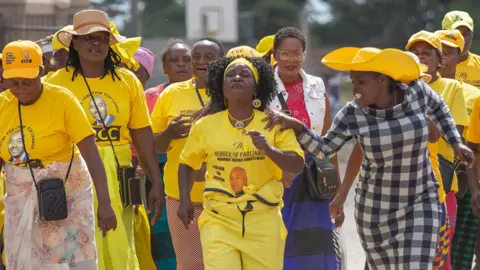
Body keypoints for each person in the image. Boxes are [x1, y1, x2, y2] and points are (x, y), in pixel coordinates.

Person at [265, 47, 475, 269]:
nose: (355, 88)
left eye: (361, 82)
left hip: (420, 201)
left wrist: (456, 142)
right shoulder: (352, 113)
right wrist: (298, 127)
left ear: (382, 80)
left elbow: (440, 109)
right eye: (353, 81)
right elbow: (324, 149)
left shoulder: (416, 92)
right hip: (375, 212)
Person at [46, 9, 164, 270]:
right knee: (78, 245)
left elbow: (142, 135)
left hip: (119, 173)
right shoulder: (54, 84)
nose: (95, 43)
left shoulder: (128, 81)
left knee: (119, 243)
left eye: (101, 37)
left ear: (110, 42)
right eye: (87, 38)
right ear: (74, 44)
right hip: (72, 171)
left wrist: (156, 181)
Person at [177, 56, 304, 270]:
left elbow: (297, 164)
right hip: (219, 219)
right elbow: (186, 163)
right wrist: (184, 200)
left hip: (263, 219)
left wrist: (268, 149)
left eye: (244, 75)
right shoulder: (204, 126)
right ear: (222, 87)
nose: (236, 78)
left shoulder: (273, 122)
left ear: (257, 88)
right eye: (230, 75)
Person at [0, 40, 116, 269]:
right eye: (14, 83)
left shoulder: (63, 100)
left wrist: (105, 204)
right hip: (20, 195)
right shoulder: (3, 105)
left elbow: (91, 153)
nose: (21, 89)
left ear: (41, 71)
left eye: (28, 82)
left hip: (68, 192)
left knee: (73, 260)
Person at [268, 27, 343, 269]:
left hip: (313, 181)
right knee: (281, 244)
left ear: (304, 54)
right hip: (277, 178)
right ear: (274, 55)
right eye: (285, 54)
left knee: (316, 246)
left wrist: (338, 192)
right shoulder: (261, 87)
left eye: (297, 53)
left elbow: (328, 141)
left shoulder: (318, 85)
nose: (291, 60)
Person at [151, 37, 224, 270]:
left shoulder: (232, 92)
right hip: (181, 194)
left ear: (222, 62)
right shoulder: (171, 94)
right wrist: (169, 133)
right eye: (197, 57)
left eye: (209, 58)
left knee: (223, 262)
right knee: (191, 264)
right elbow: (154, 146)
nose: (201, 62)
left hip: (227, 194)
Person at [407, 31, 470, 267]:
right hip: (404, 184)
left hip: (441, 185)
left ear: (439, 60)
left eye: (426, 53)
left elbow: (452, 134)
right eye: (415, 53)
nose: (420, 57)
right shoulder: (396, 87)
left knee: (439, 259)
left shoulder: (452, 88)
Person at [434, 28, 480, 270]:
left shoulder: (473, 95)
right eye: (437, 51)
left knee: (458, 255)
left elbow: (474, 144)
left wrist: (472, 188)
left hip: (461, 186)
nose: (442, 57)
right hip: (428, 185)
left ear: (461, 57)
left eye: (448, 52)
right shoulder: (410, 90)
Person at [146, 38, 193, 270]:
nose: (181, 65)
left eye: (187, 60)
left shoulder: (208, 95)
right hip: (162, 175)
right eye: (174, 61)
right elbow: (147, 143)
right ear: (164, 68)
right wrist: (169, 133)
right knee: (165, 240)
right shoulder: (151, 97)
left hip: (200, 177)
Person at [442, 11, 480, 89]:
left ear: (472, 34)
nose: (463, 39)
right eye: (457, 34)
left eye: (466, 34)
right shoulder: (434, 67)